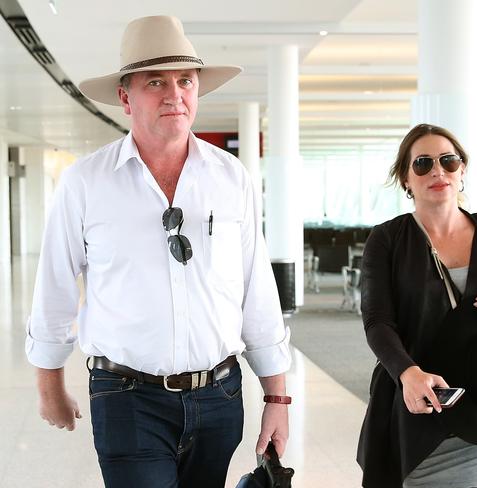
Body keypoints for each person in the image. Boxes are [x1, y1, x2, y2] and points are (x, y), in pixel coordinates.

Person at [25, 15, 291, 488]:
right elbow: (55, 286)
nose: (175, 93)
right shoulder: (86, 181)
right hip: (126, 395)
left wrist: (278, 399)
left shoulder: (232, 178)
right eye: (155, 82)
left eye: (185, 80)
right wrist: (50, 387)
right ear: (126, 96)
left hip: (220, 395)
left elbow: (257, 289)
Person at [356, 124, 477, 488]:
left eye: (448, 160)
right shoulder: (388, 239)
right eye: (423, 163)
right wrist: (407, 373)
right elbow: (377, 322)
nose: (437, 171)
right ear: (405, 178)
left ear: (462, 170)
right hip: (423, 404)